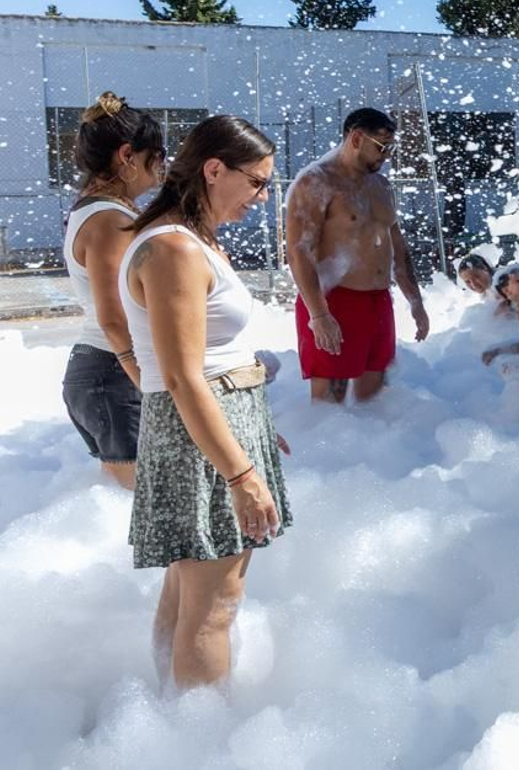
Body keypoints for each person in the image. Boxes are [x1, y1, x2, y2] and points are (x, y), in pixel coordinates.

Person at [119, 115, 292, 690]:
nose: (262, 198)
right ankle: (204, 733)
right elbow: (182, 378)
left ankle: (169, 718)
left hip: (213, 427)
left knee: (187, 594)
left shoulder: (189, 239)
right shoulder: (174, 248)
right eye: (257, 182)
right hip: (200, 438)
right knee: (214, 607)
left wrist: (253, 425)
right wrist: (240, 472)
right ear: (214, 169)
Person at [285, 109, 429, 404]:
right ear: (356, 138)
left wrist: (415, 302)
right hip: (335, 301)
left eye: (391, 147)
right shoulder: (316, 182)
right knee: (329, 409)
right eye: (381, 146)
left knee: (374, 408)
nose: (387, 155)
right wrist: (319, 315)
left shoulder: (381, 186)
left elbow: (398, 250)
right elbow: (298, 252)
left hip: (378, 303)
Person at [61, 93, 166, 490]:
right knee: (143, 503)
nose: (163, 164)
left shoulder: (100, 209)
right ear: (127, 155)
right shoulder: (109, 220)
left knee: (126, 504)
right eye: (158, 154)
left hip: (104, 375)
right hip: (114, 374)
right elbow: (114, 317)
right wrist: (148, 384)